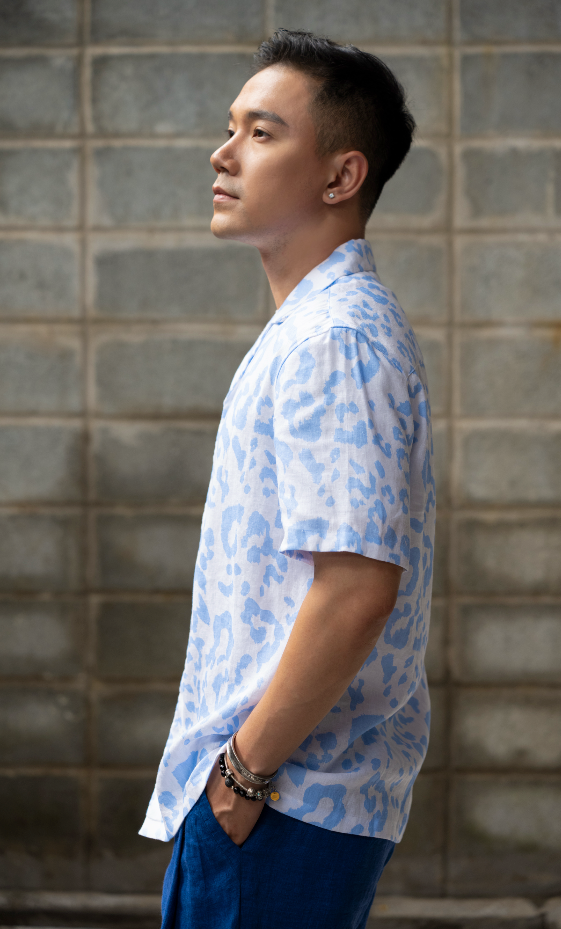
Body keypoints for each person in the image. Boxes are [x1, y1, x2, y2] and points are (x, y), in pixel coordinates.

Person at [139, 28, 436, 929]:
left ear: (340, 177)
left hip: (282, 800)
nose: (222, 153)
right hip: (271, 797)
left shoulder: (334, 340)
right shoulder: (315, 326)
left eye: (261, 133)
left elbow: (355, 589)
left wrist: (240, 773)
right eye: (231, 127)